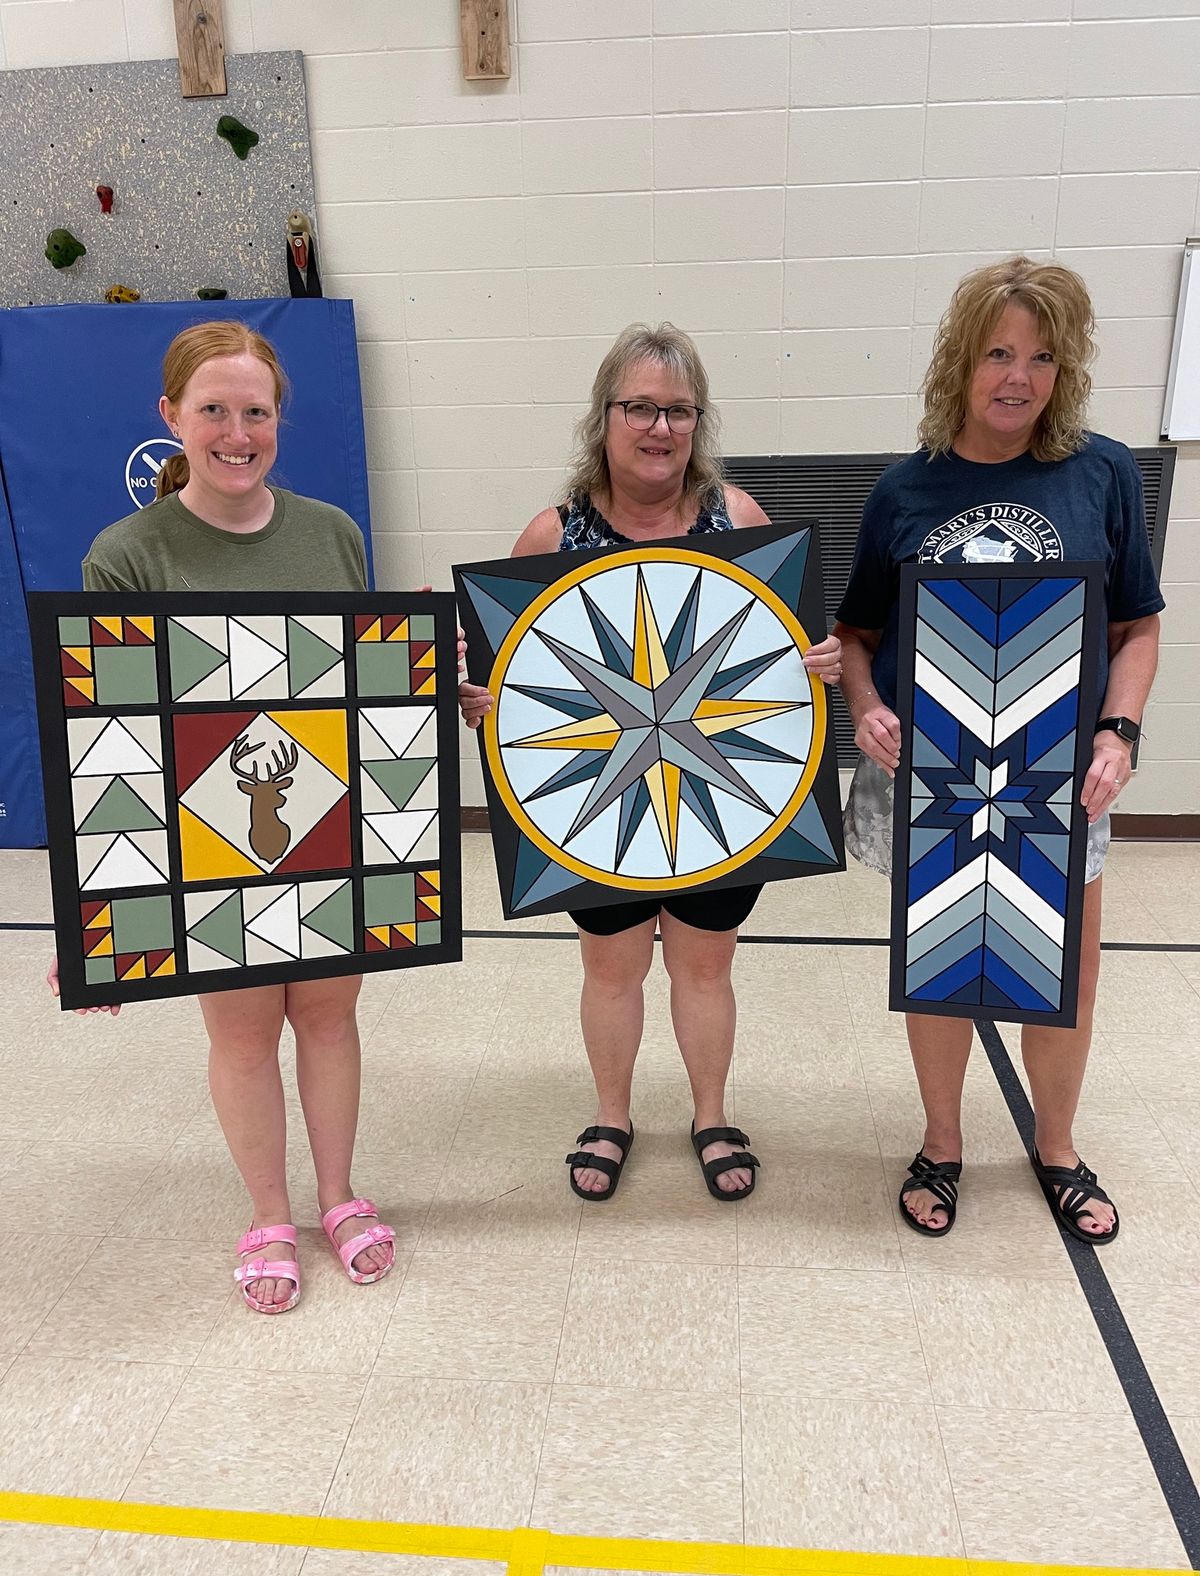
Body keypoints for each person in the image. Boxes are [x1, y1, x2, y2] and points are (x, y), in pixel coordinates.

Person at [48, 320, 396, 1312]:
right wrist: (102, 909)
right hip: (203, 839)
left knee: (330, 1021)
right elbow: (105, 738)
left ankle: (337, 1195)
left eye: (256, 411)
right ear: (171, 419)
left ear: (278, 419)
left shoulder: (332, 532)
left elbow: (358, 693)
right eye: (213, 410)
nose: (236, 431)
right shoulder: (126, 554)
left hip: (329, 824)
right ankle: (269, 1212)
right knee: (244, 1035)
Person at [459, 323, 842, 1202]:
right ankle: (612, 1113)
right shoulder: (550, 534)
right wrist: (482, 701)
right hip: (594, 801)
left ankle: (711, 1114)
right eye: (640, 407)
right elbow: (506, 677)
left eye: (678, 410)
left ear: (698, 423)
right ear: (604, 416)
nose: (659, 428)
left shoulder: (738, 520)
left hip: (723, 795)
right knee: (612, 966)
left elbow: (782, 657)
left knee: (707, 964)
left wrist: (812, 662)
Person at [834, 257, 1163, 1244]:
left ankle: (1055, 1146)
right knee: (939, 967)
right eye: (999, 352)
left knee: (1065, 977)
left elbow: (1137, 627)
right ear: (959, 362)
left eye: (1042, 356)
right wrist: (866, 707)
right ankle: (942, 1141)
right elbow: (855, 635)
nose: (1017, 376)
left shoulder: (1102, 474)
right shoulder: (905, 490)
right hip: (927, 777)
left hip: (1059, 779)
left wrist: (1120, 730)